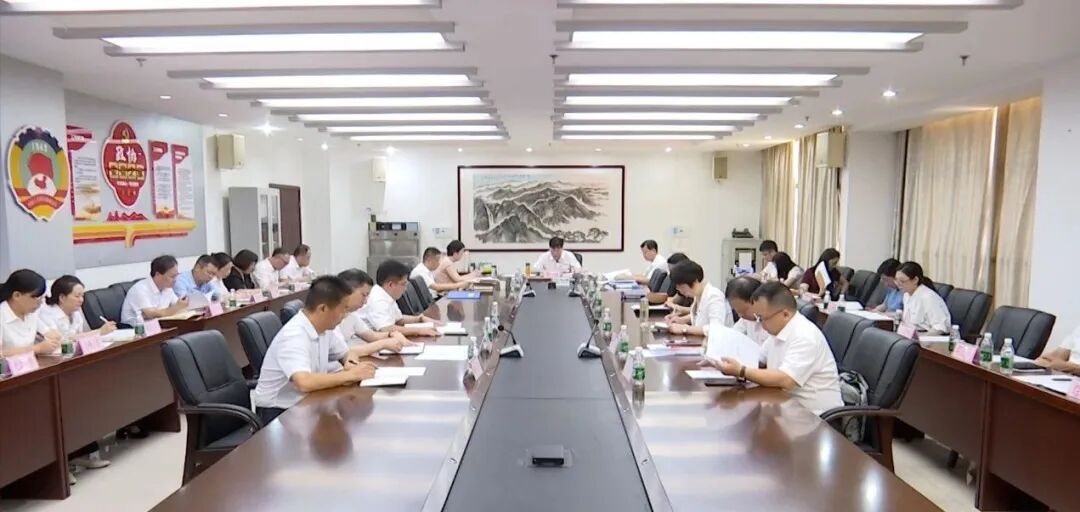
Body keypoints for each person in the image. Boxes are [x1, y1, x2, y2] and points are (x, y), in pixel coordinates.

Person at [700, 282, 843, 415]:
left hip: (815, 417)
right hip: (786, 407)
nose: (760, 324)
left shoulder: (805, 336)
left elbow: (785, 379)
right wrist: (718, 355)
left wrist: (741, 371)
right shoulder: (778, 332)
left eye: (762, 318)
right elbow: (757, 360)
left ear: (785, 314)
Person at [252, 275, 378, 424]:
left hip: (306, 402)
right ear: (323, 308)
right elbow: (304, 382)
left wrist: (350, 364)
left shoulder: (324, 328)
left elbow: (346, 353)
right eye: (343, 309)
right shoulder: (294, 335)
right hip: (278, 412)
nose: (345, 316)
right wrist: (350, 375)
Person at [336, 269, 417, 356]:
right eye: (363, 295)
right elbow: (343, 352)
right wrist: (383, 344)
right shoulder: (331, 317)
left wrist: (392, 334)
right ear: (346, 292)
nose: (365, 302)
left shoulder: (351, 314)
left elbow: (371, 336)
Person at [359, 259, 441, 337]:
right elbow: (386, 329)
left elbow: (399, 319)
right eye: (403, 284)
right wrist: (419, 330)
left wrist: (420, 319)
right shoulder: (378, 300)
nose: (405, 289)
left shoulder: (386, 295)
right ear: (391, 285)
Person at [0, 269, 60, 357]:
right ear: (16, 295)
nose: (40, 303)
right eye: (36, 298)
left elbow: (50, 334)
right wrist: (37, 349)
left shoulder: (31, 312)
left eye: (41, 298)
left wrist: (54, 340)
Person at [665, 259, 732, 336]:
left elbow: (716, 328)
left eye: (682, 288)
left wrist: (685, 329)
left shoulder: (714, 296)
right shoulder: (698, 295)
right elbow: (701, 317)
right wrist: (681, 320)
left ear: (695, 282)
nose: (681, 292)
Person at [39, 275, 117, 339]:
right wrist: (99, 332)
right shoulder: (47, 314)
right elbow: (59, 340)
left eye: (82, 296)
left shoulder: (75, 313)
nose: (81, 300)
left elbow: (79, 338)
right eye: (77, 296)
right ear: (62, 297)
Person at [121, 255, 188, 326]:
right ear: (158, 274)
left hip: (157, 326)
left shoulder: (167, 288)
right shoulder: (140, 289)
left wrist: (181, 306)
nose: (175, 280)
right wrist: (176, 308)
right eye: (172, 276)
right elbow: (151, 314)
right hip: (133, 329)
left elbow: (179, 306)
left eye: (176, 275)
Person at [896, 262, 951, 334]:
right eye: (896, 280)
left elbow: (940, 326)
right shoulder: (906, 295)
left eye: (902, 281)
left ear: (915, 280)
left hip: (929, 337)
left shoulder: (928, 297)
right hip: (911, 335)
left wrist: (923, 338)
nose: (898, 284)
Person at [725, 276, 767, 345]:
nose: (740, 315)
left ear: (756, 301)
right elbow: (731, 335)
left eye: (743, 311)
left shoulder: (773, 320)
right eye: (737, 311)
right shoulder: (746, 319)